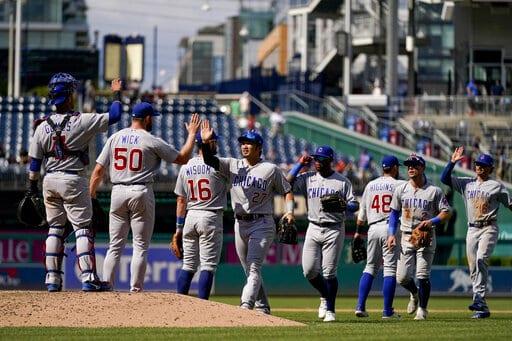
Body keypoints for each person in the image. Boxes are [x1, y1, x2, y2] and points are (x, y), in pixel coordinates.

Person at [89, 105, 200, 292]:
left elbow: (98, 170)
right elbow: (182, 158)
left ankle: (107, 286)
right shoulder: (150, 140)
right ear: (147, 118)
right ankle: (135, 289)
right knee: (140, 246)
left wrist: (91, 194)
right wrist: (191, 135)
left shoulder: (115, 137)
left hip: (117, 191)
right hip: (140, 191)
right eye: (152, 118)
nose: (153, 121)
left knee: (114, 246)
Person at [28, 73, 123, 292]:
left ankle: (52, 279)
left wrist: (31, 187)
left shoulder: (42, 126)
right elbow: (115, 115)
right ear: (69, 96)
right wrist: (116, 91)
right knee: (82, 228)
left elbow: (34, 164)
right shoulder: (82, 120)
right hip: (73, 179)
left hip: (49, 181)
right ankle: (88, 277)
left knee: (55, 229)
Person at [199, 120, 295, 314]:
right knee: (249, 269)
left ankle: (245, 305)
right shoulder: (233, 164)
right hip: (239, 223)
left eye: (248, 142)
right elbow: (209, 160)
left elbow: (287, 190)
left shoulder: (270, 169)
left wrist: (290, 211)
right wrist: (204, 142)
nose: (244, 145)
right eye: (242, 142)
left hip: (262, 223)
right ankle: (263, 306)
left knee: (253, 267)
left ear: (258, 147)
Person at [287, 146, 359, 322]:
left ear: (329, 160)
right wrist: (299, 165)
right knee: (309, 270)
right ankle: (324, 296)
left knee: (329, 272)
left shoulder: (342, 181)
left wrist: (343, 205)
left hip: (334, 227)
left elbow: (355, 205)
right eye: (316, 159)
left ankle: (330, 310)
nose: (317, 162)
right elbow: (286, 182)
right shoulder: (308, 177)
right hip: (313, 225)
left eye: (321, 159)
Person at [440, 147, 512, 318]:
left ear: (490, 169)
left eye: (483, 165)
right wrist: (452, 162)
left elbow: (510, 204)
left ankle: (479, 298)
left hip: (489, 227)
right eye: (478, 164)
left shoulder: (496, 186)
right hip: (472, 229)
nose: (479, 167)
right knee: (472, 266)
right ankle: (481, 306)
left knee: (481, 259)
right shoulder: (466, 183)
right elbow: (444, 178)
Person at [386, 154, 452, 320]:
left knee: (423, 275)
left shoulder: (433, 191)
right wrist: (391, 234)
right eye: (408, 165)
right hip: (407, 235)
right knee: (402, 277)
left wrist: (432, 221)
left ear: (422, 168)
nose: (410, 168)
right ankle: (414, 293)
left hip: (426, 235)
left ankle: (422, 309)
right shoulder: (401, 189)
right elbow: (394, 213)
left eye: (414, 165)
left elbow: (446, 212)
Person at [174, 130, 229, 299]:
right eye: (214, 141)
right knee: (208, 265)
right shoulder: (219, 164)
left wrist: (178, 229)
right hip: (210, 216)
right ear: (207, 143)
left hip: (191, 216)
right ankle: (203, 307)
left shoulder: (186, 166)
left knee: (188, 265)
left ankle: (180, 304)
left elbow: (181, 201)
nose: (216, 144)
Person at [354, 155, 404, 319]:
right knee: (389, 269)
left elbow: (361, 215)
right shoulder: (400, 185)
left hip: (373, 228)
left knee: (370, 267)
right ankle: (387, 311)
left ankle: (360, 306)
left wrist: (357, 233)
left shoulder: (371, 185)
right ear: (395, 168)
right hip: (390, 227)